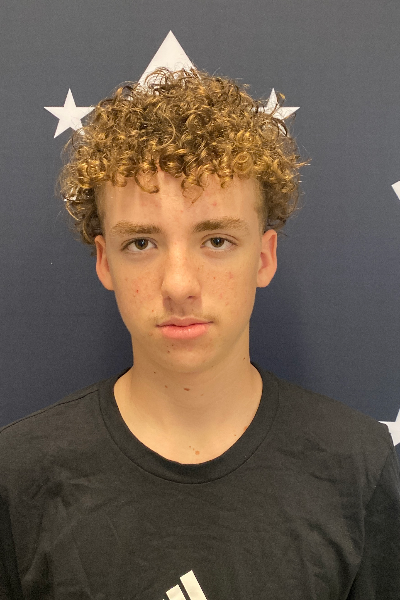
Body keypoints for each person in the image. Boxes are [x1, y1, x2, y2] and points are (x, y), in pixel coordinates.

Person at [0, 68, 399, 600]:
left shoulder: (357, 465)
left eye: (216, 241)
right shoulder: (19, 475)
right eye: (141, 243)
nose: (179, 286)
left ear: (263, 257)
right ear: (104, 261)